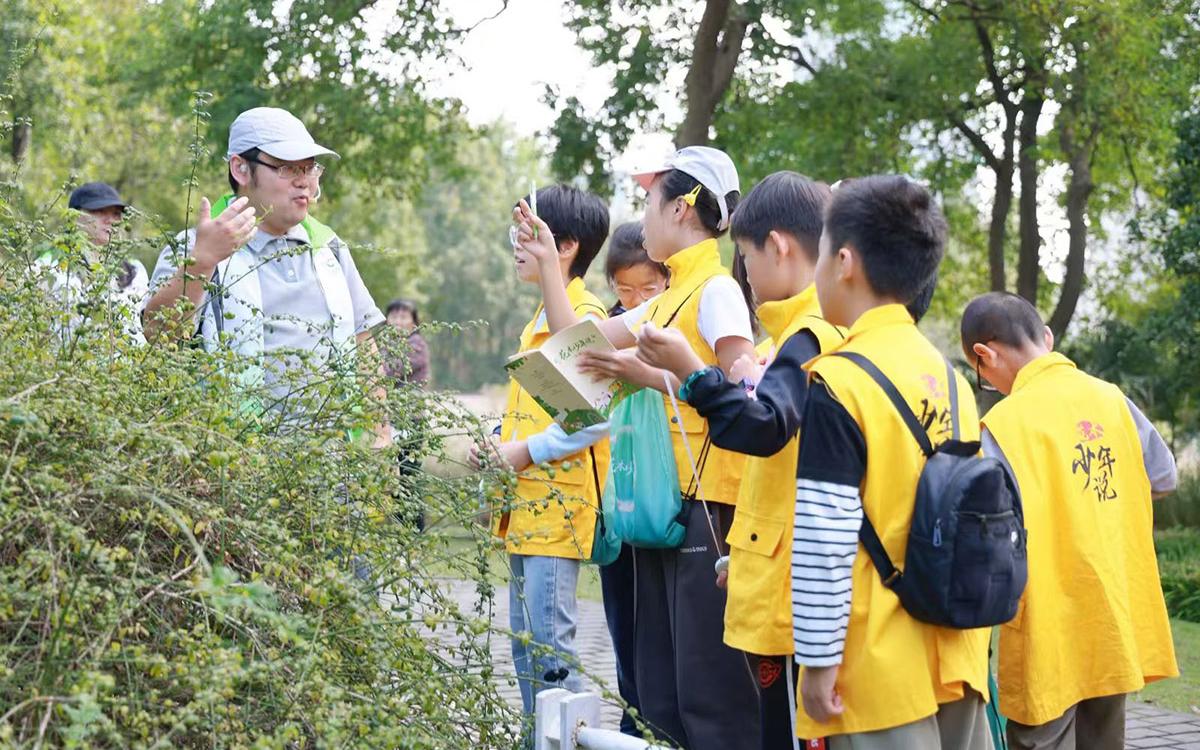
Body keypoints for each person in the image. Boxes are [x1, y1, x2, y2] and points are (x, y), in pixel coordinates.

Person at [513, 146, 761, 750]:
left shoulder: (717, 291)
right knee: (659, 690)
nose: (642, 216)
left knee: (705, 692)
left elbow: (745, 393)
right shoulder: (673, 294)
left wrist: (655, 375)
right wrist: (550, 263)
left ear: (680, 208)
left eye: (649, 202)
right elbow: (575, 349)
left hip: (708, 514)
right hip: (661, 513)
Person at [636, 171, 844, 750]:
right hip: (764, 567)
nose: (744, 274)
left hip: (797, 596)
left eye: (748, 257)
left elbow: (760, 429)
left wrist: (690, 371)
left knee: (741, 713)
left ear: (777, 247)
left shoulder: (808, 339)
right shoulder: (788, 340)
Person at [790, 176, 993, 749]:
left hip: (877, 666)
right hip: (957, 651)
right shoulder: (952, 381)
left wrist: (818, 665)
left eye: (823, 252)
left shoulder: (839, 380)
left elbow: (824, 540)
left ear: (846, 261)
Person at [962, 291, 1179, 750]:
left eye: (982, 377)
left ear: (985, 354)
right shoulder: (1112, 400)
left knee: (1042, 739)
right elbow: (1164, 476)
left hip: (1050, 624)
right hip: (1112, 614)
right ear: (1045, 336)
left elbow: (991, 529)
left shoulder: (1005, 424)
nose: (991, 387)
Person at [142, 107, 389, 445]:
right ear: (241, 168)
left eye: (310, 168)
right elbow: (157, 339)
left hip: (336, 470)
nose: (304, 180)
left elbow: (363, 348)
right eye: (287, 167)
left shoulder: (328, 249)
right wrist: (202, 263)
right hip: (234, 467)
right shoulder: (195, 246)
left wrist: (380, 443)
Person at [468, 184, 611, 732]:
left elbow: (591, 418)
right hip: (526, 512)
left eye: (525, 234)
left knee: (553, 663)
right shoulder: (539, 319)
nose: (516, 246)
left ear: (564, 245)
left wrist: (520, 451)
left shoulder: (582, 314)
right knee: (530, 658)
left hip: (557, 513)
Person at [39, 181, 148, 343]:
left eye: (116, 214)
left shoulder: (135, 270)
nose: (110, 219)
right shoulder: (47, 265)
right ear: (73, 216)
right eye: (99, 211)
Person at [605, 221, 669, 316]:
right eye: (626, 290)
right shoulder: (609, 324)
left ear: (668, 279)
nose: (638, 301)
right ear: (612, 283)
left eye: (648, 289)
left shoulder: (683, 320)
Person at [383, 299, 430, 385]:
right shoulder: (382, 342)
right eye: (393, 317)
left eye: (403, 317)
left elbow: (393, 370)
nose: (397, 322)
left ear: (414, 323)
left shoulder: (417, 343)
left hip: (409, 395)